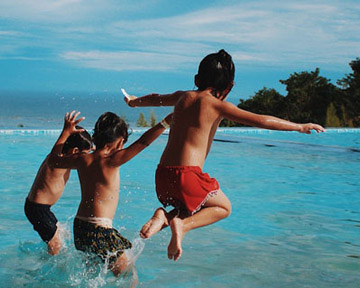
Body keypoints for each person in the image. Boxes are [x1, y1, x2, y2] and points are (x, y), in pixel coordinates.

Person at [123, 49, 326, 261]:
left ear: (197, 79)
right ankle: (180, 225)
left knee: (193, 206)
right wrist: (300, 127)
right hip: (188, 176)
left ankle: (164, 217)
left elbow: (155, 100)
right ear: (229, 86)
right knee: (222, 207)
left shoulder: (182, 97)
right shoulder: (218, 105)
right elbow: (262, 120)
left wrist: (133, 102)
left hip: (163, 176)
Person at [51, 111, 173, 276]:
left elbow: (53, 160)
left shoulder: (82, 159)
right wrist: (165, 123)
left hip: (80, 228)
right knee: (128, 275)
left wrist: (65, 132)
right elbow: (143, 142)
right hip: (99, 228)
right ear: (120, 141)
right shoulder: (112, 160)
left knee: (92, 276)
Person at [25, 111, 92, 255]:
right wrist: (65, 131)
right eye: (85, 154)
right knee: (55, 246)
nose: (86, 158)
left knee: (63, 234)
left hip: (42, 208)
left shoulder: (63, 158)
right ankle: (45, 272)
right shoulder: (56, 161)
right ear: (75, 151)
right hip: (37, 209)